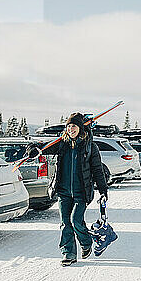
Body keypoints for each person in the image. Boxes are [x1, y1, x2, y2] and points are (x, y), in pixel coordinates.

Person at [27, 112, 108, 266]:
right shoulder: (61, 144)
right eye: (69, 126)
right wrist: (33, 148)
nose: (71, 129)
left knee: (76, 220)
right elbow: (42, 147)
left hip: (82, 192)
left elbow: (97, 170)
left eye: (74, 126)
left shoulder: (90, 146)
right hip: (63, 191)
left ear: (81, 128)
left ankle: (86, 242)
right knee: (65, 223)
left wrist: (103, 190)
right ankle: (68, 253)